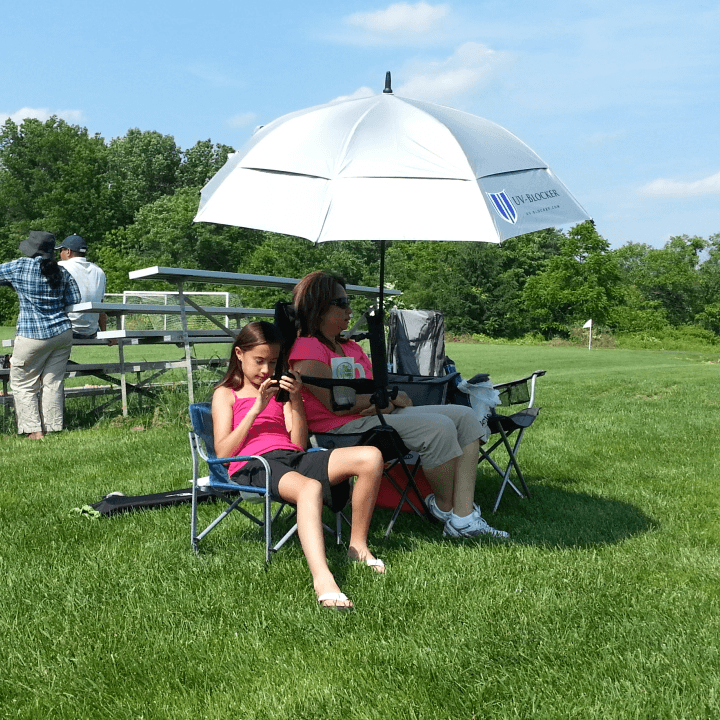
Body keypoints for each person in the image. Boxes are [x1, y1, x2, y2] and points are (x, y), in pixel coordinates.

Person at [289, 271, 509, 540]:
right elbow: (339, 405)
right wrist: (385, 401)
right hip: (339, 429)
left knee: (464, 416)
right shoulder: (308, 348)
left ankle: (462, 517)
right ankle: (444, 507)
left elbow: (386, 394)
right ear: (319, 307)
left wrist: (388, 402)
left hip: (372, 416)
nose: (350, 310)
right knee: (438, 427)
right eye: (342, 303)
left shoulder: (350, 348)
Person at [212, 321, 386, 611]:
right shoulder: (225, 394)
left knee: (370, 456)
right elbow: (223, 452)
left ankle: (358, 548)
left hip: (292, 456)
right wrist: (255, 408)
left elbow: (299, 441)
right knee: (310, 488)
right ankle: (323, 579)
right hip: (253, 464)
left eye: (272, 362)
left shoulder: (279, 392)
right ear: (239, 354)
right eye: (259, 361)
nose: (266, 370)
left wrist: (294, 399)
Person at [0, 231, 81, 439]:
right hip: (62, 333)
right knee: (53, 382)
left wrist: (15, 285)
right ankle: (53, 427)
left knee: (23, 383)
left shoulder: (19, 266)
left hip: (31, 335)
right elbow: (75, 298)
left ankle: (34, 431)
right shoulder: (61, 271)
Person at [56, 235, 110, 341]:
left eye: (61, 250)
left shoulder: (61, 267)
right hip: (92, 331)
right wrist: (105, 333)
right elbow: (101, 306)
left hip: (68, 331)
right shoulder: (99, 271)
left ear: (68, 252)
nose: (60, 254)